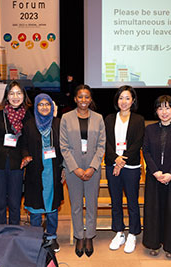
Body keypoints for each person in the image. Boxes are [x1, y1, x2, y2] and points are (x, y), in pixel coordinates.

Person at [60, 84, 106, 257]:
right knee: (77, 204)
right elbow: (63, 146)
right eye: (80, 96)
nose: (84, 100)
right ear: (75, 99)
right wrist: (75, 168)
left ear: (91, 99)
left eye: (87, 97)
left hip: (93, 167)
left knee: (92, 204)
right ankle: (79, 236)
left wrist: (93, 166)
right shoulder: (66, 118)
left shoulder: (98, 118)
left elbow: (101, 145)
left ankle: (90, 236)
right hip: (73, 168)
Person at [142, 95, 171, 258]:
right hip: (154, 177)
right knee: (154, 210)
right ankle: (153, 243)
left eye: (167, 107)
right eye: (160, 108)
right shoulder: (149, 129)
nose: (164, 112)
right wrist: (155, 172)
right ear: (156, 111)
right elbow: (146, 151)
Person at [21, 93, 64, 253]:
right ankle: (36, 238)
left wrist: (64, 167)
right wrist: (26, 156)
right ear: (36, 106)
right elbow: (23, 144)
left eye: (47, 104)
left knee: (52, 205)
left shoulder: (58, 123)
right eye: (41, 104)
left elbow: (64, 146)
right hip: (34, 170)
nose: (44, 107)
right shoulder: (29, 124)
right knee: (35, 205)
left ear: (52, 107)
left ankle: (51, 236)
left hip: (53, 169)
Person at [104, 85, 144, 253]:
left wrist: (122, 160)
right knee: (116, 201)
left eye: (127, 98)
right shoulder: (109, 118)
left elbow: (137, 143)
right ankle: (119, 232)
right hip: (112, 164)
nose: (124, 101)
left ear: (133, 100)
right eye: (121, 98)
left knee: (132, 202)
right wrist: (115, 159)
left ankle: (133, 233)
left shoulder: (139, 119)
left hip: (131, 166)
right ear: (117, 100)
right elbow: (105, 142)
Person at [0, 80, 32, 225]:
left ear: (24, 96)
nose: (15, 96)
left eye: (19, 93)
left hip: (17, 163)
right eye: (12, 93)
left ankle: (15, 234)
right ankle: (1, 234)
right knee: (0, 203)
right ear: (6, 96)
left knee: (15, 203)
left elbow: (28, 139)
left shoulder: (28, 115)